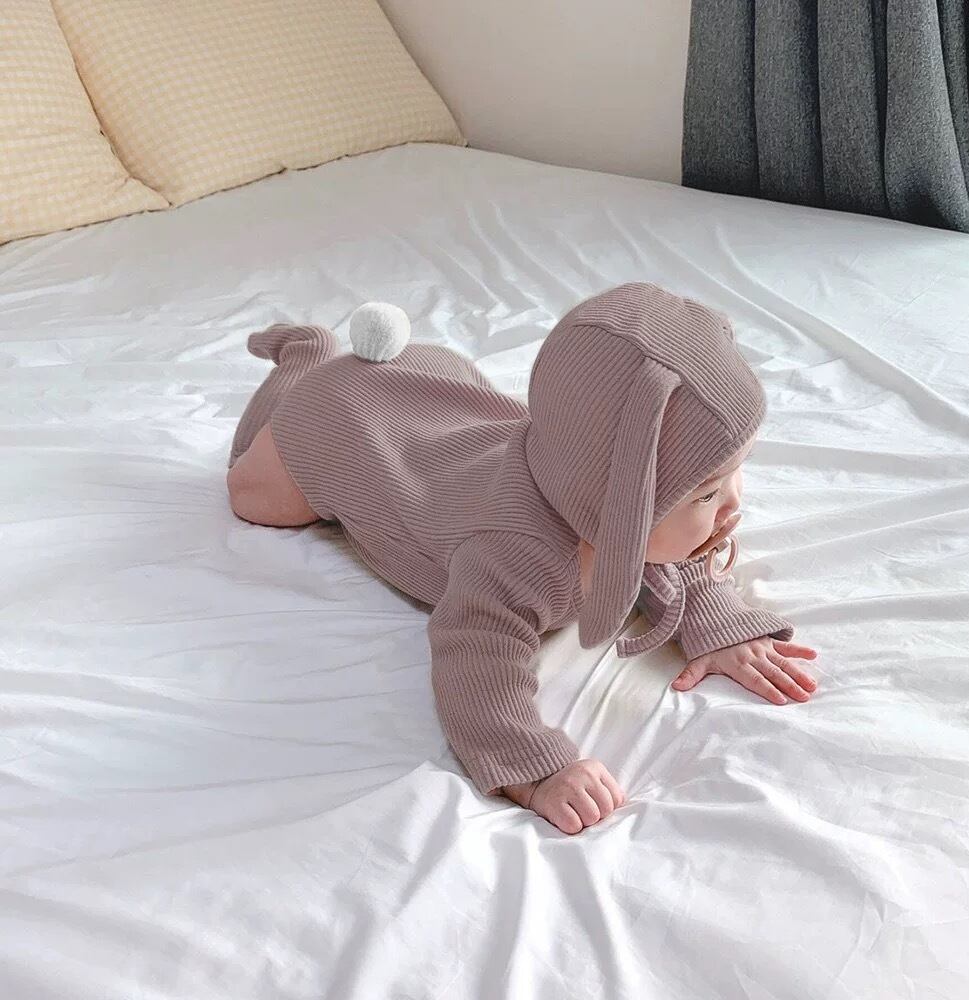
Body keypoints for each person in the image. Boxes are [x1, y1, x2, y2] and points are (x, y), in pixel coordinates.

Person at [226, 283, 818, 834]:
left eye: (735, 473)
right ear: (618, 495)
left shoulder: (609, 493)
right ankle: (304, 362)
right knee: (256, 497)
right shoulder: (513, 554)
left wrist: (716, 621)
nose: (733, 504)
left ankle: (366, 365)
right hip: (341, 421)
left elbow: (669, 549)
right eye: (707, 494)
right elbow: (473, 655)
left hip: (436, 387)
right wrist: (535, 768)